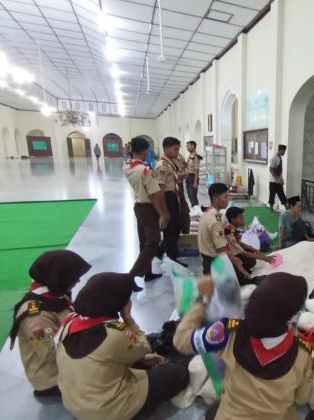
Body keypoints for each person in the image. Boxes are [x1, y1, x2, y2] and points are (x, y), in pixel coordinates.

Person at [173, 272, 313, 420]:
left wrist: (202, 302)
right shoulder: (302, 354)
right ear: (291, 315)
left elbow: (181, 341)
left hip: (231, 415)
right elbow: (302, 398)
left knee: (213, 411)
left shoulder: (228, 332)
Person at [57, 272, 189, 420]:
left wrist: (140, 359)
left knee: (139, 363)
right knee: (179, 373)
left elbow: (100, 358)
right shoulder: (114, 332)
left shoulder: (69, 322)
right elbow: (145, 346)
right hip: (106, 410)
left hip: (75, 404)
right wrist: (128, 317)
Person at [9, 250, 91, 398]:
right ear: (58, 277)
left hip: (68, 366)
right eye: (73, 277)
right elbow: (49, 353)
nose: (78, 281)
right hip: (53, 380)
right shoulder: (35, 318)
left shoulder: (55, 295)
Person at [123, 137, 169, 283]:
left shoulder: (127, 166)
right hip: (148, 208)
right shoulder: (145, 170)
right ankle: (131, 277)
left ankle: (147, 273)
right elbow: (153, 195)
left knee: (144, 242)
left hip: (138, 206)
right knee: (153, 241)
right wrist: (163, 214)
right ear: (145, 151)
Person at [199, 183, 252, 284]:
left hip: (208, 260)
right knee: (245, 276)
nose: (228, 199)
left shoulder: (209, 213)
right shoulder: (215, 219)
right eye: (225, 196)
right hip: (214, 262)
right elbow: (221, 248)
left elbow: (220, 239)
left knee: (244, 264)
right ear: (215, 198)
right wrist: (235, 262)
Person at [155, 137, 186, 265]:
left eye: (178, 149)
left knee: (176, 228)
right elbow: (160, 190)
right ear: (166, 149)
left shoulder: (169, 163)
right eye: (175, 149)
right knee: (171, 231)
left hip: (173, 197)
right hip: (167, 199)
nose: (177, 152)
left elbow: (171, 180)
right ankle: (172, 260)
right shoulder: (162, 166)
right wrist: (164, 212)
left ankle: (160, 251)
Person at [225, 206, 275, 271]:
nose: (243, 220)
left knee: (252, 252)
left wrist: (255, 250)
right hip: (231, 256)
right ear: (233, 220)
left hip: (235, 251)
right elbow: (242, 252)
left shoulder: (232, 229)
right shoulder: (229, 232)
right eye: (241, 218)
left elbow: (239, 243)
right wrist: (264, 258)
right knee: (251, 262)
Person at [269, 145, 288, 213]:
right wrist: (277, 178)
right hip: (273, 181)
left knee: (282, 196)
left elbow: (280, 171)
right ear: (280, 150)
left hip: (278, 182)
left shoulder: (279, 158)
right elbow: (271, 169)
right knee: (272, 196)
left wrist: (281, 179)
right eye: (284, 151)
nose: (284, 153)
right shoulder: (274, 158)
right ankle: (271, 211)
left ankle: (288, 211)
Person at [185, 140, 200, 207]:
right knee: (189, 195)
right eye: (186, 146)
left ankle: (196, 209)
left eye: (188, 146)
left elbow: (197, 169)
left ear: (193, 146)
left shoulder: (196, 156)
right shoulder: (190, 156)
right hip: (188, 176)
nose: (187, 148)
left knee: (193, 195)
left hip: (193, 177)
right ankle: (194, 208)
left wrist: (195, 181)